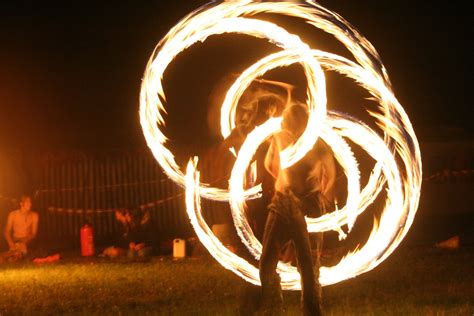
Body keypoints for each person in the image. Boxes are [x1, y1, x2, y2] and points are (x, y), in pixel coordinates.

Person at [259, 104, 336, 315]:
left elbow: (331, 174)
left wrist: (287, 182)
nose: (283, 121)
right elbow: (330, 175)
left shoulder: (310, 143)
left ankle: (296, 309)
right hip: (293, 204)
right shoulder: (288, 139)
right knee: (284, 262)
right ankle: (284, 309)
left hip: (298, 205)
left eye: (287, 118)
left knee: (298, 264)